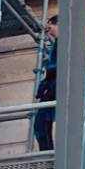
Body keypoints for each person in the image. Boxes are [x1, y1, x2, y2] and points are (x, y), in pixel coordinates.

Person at [33, 11, 58, 152]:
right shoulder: (59, 44)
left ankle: (47, 153)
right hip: (52, 87)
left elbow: (57, 67)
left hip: (54, 88)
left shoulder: (63, 42)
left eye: (51, 27)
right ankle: (47, 152)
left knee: (41, 125)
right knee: (42, 125)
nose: (50, 31)